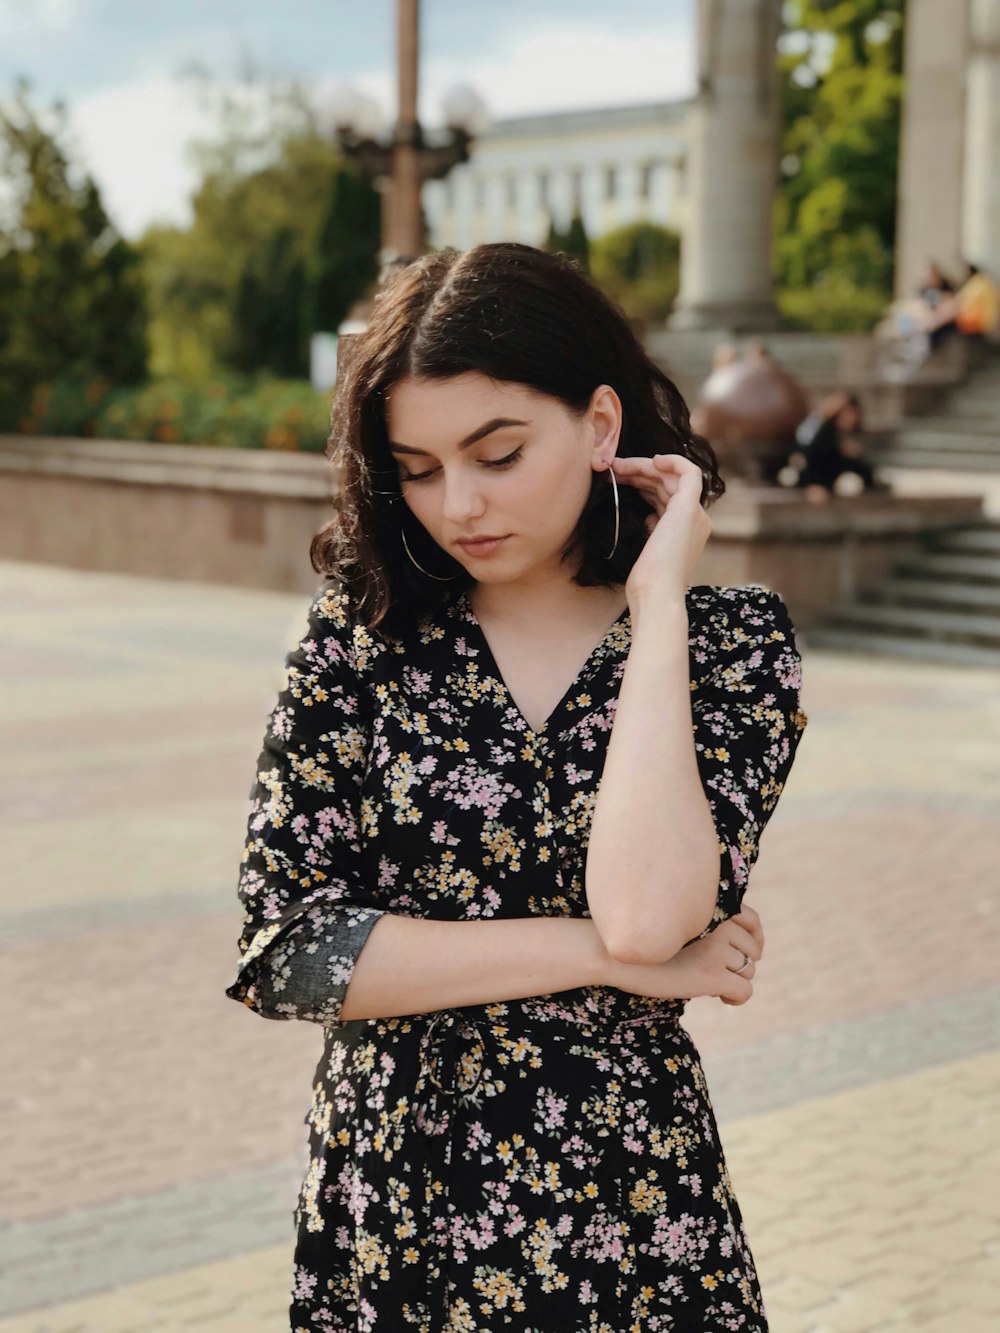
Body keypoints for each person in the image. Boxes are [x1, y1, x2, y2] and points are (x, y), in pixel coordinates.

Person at [225, 242, 809, 1331]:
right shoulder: (364, 638)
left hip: (631, 1207)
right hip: (398, 1204)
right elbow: (289, 952)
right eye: (417, 467)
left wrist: (659, 607)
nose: (459, 504)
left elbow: (647, 913)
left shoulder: (730, 644)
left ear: (598, 426)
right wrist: (598, 959)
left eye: (497, 453)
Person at [781, 392, 880, 503]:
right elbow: (810, 455)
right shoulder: (823, 433)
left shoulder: (852, 435)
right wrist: (814, 485)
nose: (849, 418)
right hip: (819, 482)